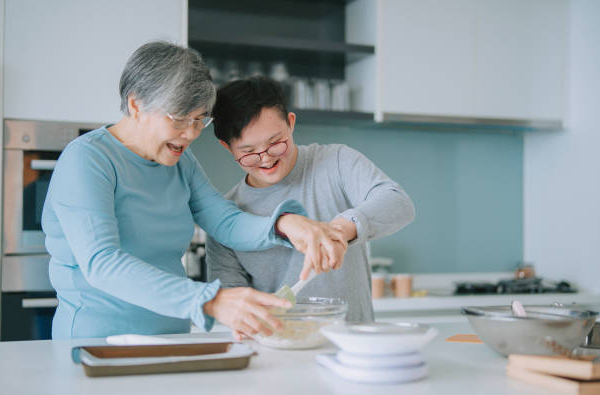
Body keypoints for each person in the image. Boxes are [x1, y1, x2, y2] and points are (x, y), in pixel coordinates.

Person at [41, 42, 347, 340]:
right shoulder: (88, 160)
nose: (191, 133)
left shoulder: (181, 162)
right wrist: (210, 301)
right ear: (136, 105)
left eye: (200, 119)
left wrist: (284, 224)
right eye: (179, 118)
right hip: (97, 343)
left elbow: (225, 221)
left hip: (171, 339)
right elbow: (102, 263)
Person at [206, 76, 415, 328]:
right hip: (279, 351)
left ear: (291, 123)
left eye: (275, 143)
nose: (266, 159)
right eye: (248, 152)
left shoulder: (336, 161)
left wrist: (340, 230)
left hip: (353, 346)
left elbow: (397, 202)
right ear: (227, 147)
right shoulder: (226, 217)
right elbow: (232, 298)